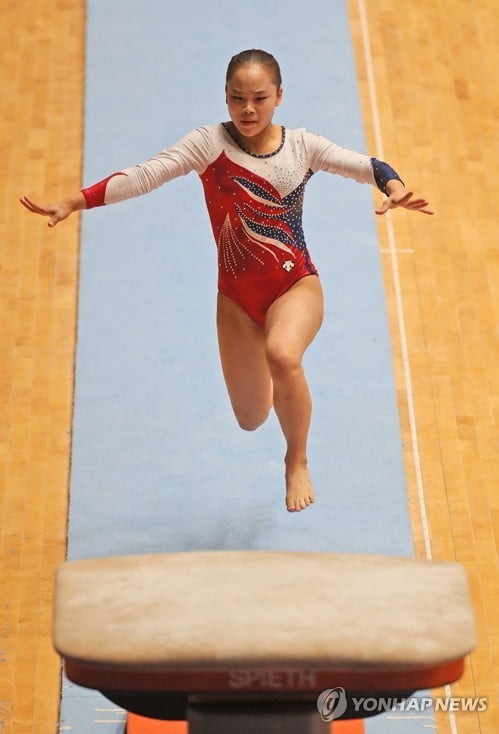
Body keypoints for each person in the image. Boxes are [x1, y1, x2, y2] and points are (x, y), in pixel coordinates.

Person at [20, 49, 433, 513]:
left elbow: (368, 166)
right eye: (238, 98)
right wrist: (75, 202)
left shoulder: (302, 146)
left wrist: (395, 190)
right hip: (236, 301)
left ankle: (296, 459)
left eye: (260, 98)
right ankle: (285, 389)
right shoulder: (209, 143)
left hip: (293, 284)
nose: (249, 109)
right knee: (251, 417)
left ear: (280, 95)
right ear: (226, 97)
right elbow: (144, 175)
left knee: (282, 354)